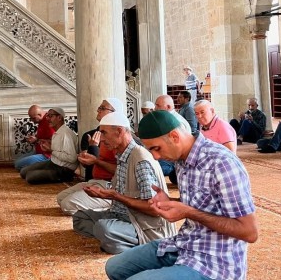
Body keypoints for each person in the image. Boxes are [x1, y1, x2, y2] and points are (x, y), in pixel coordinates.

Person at [105, 110, 258, 280]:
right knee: (114, 267)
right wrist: (170, 202)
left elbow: (249, 232)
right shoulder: (181, 160)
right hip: (184, 244)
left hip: (215, 262)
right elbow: (203, 205)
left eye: (156, 148)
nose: (155, 157)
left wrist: (187, 212)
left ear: (174, 136)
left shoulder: (221, 163)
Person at [72, 112, 176, 254]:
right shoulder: (122, 155)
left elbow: (154, 209)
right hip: (119, 214)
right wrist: (104, 194)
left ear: (119, 131)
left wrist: (115, 196)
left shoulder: (140, 160)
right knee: (80, 217)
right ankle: (117, 241)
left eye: (104, 133)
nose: (101, 139)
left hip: (143, 223)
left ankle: (131, 243)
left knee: (104, 228)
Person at [57, 98, 121, 215]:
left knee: (67, 205)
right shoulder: (92, 134)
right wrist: (86, 157)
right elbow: (88, 165)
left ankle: (115, 205)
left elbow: (120, 170)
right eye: (99, 107)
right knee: (61, 199)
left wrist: (95, 155)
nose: (98, 110)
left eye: (102, 108)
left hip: (109, 184)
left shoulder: (117, 137)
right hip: (94, 180)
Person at [20, 108, 78, 184]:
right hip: (53, 162)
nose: (47, 119)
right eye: (47, 116)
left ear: (59, 118)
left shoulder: (65, 134)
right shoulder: (57, 132)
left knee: (29, 177)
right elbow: (58, 149)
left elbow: (72, 158)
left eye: (50, 116)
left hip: (64, 169)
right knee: (23, 172)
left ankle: (63, 178)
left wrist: (51, 151)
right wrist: (46, 143)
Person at [154, 94, 192, 184]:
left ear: (168, 107)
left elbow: (180, 149)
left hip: (175, 161)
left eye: (158, 106)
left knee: (153, 167)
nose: (155, 108)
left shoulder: (176, 122)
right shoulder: (166, 119)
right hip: (168, 157)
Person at [14, 105, 56, 170]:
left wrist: (36, 140)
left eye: (33, 118)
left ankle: (45, 166)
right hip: (38, 151)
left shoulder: (48, 122)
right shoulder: (42, 120)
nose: (32, 120)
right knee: (16, 162)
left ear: (39, 114)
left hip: (46, 155)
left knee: (18, 165)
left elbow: (53, 142)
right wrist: (35, 139)